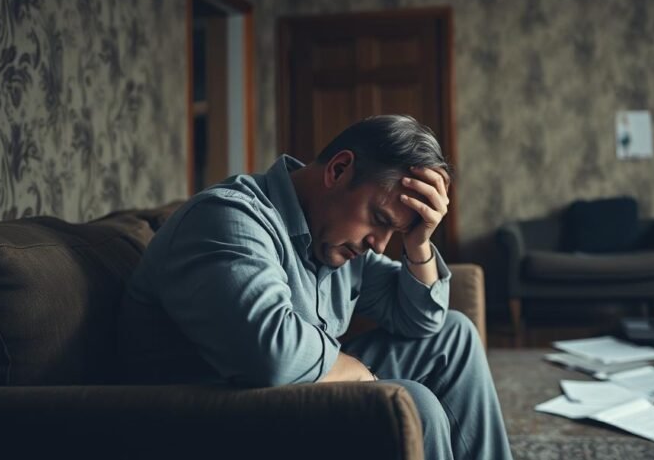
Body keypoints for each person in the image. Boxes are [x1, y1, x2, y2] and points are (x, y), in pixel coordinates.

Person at [119, 115, 513, 460]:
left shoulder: (335, 238)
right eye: (380, 219)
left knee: (454, 336)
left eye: (394, 231)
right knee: (412, 404)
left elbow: (422, 322)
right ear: (339, 170)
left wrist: (419, 241)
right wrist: (360, 375)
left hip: (277, 400)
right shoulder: (228, 218)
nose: (380, 244)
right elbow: (273, 355)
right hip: (210, 417)